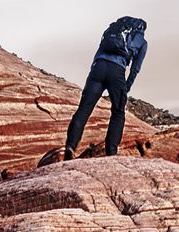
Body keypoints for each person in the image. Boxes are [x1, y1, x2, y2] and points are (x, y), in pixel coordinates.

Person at [62, 16, 148, 160]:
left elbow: (100, 49)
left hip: (99, 67)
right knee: (118, 111)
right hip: (117, 71)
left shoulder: (114, 29)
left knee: (84, 108)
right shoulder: (142, 41)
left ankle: (70, 147)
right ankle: (111, 152)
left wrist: (94, 70)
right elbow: (135, 68)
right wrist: (127, 85)